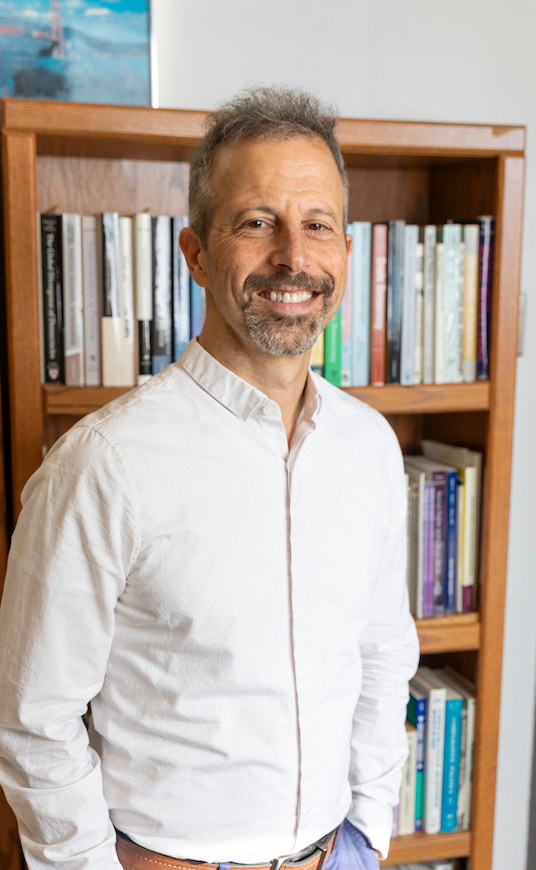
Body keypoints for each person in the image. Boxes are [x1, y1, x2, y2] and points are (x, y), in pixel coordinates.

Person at [0, 87, 419, 870]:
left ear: (345, 252)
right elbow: (33, 717)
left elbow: (382, 652)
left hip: (339, 853)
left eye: (317, 225)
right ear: (194, 254)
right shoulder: (103, 463)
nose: (294, 257)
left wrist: (368, 830)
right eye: (257, 222)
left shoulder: (368, 447)